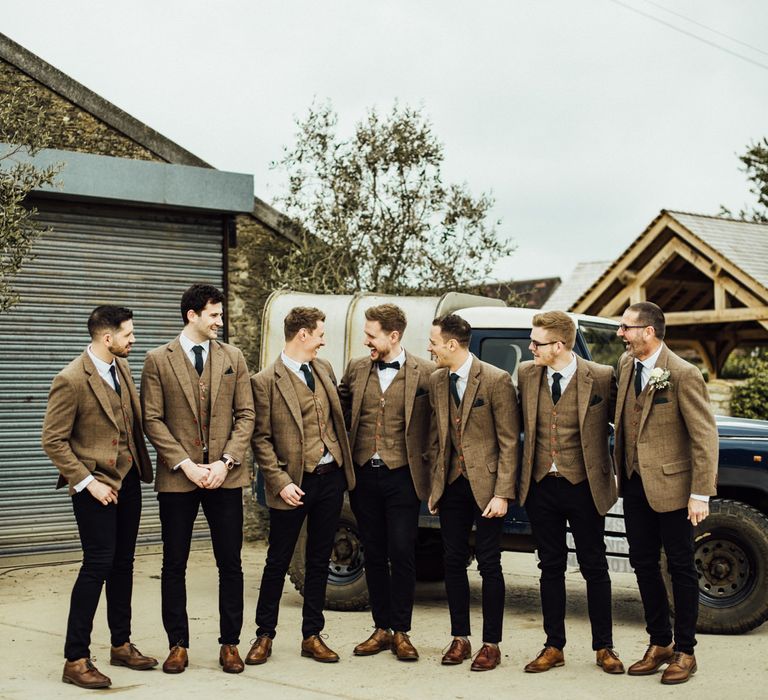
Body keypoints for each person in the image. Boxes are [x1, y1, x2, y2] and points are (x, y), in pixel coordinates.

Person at [141, 283, 255, 674]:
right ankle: (177, 644)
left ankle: (230, 644)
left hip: (226, 476)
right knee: (174, 564)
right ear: (192, 315)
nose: (220, 322)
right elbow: (151, 419)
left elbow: (247, 415)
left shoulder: (233, 357)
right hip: (178, 480)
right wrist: (185, 465)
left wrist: (225, 462)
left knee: (231, 564)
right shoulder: (158, 359)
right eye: (214, 315)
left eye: (220, 315)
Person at [42, 305, 156, 689]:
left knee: (123, 563)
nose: (134, 340)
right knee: (97, 565)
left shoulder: (120, 368)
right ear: (107, 338)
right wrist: (89, 482)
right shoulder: (71, 379)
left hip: (129, 479)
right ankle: (75, 658)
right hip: (94, 488)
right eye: (128, 335)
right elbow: (53, 440)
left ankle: (120, 644)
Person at [615, 301, 717, 685]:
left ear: (649, 331)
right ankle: (659, 643)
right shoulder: (627, 366)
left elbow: (705, 436)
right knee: (641, 562)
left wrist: (700, 494)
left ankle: (686, 651)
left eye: (627, 328)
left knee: (680, 568)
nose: (621, 333)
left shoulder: (683, 373)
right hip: (634, 483)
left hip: (675, 488)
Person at [517, 310, 623, 674]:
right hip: (541, 486)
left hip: (585, 486)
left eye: (537, 343)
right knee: (550, 566)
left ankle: (604, 648)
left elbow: (623, 424)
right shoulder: (527, 374)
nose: (530, 348)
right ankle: (553, 646)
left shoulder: (602, 377)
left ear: (559, 345)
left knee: (594, 566)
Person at [247, 307, 355, 665]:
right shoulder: (265, 381)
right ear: (303, 334)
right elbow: (260, 439)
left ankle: (312, 635)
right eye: (320, 333)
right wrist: (279, 482)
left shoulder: (323, 368)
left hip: (330, 478)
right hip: (293, 484)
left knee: (318, 560)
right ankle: (264, 636)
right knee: (277, 561)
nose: (324, 340)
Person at [338, 304, 435, 661]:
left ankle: (402, 631)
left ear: (393, 336)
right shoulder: (357, 369)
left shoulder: (425, 372)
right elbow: (340, 411)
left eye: (371, 335)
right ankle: (380, 629)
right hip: (364, 475)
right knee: (374, 553)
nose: (366, 341)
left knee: (402, 551)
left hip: (404, 477)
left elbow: (437, 428)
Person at [427, 313, 518, 671]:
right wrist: (436, 486)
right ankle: (460, 638)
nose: (430, 349)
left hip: (488, 489)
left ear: (452, 344)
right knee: (452, 562)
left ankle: (491, 644)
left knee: (490, 565)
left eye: (434, 343)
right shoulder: (437, 381)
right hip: (451, 486)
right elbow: (438, 438)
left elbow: (509, 442)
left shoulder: (496, 380)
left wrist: (503, 493)